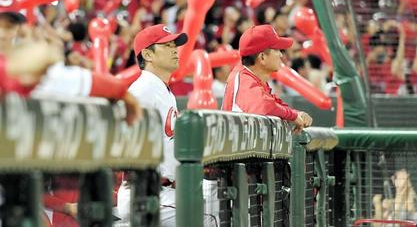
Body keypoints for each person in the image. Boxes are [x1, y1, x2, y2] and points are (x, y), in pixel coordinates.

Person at [116, 24, 217, 227]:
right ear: (148, 54)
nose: (174, 50)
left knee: (219, 206)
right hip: (146, 193)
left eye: (174, 45)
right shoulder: (143, 89)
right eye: (167, 45)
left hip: (164, 191)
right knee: (212, 217)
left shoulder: (162, 89)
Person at [222, 24, 313, 132]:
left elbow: (273, 103)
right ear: (262, 57)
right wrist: (292, 115)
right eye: (277, 50)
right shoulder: (242, 78)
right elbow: (263, 105)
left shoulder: (255, 78)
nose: (281, 55)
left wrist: (297, 113)